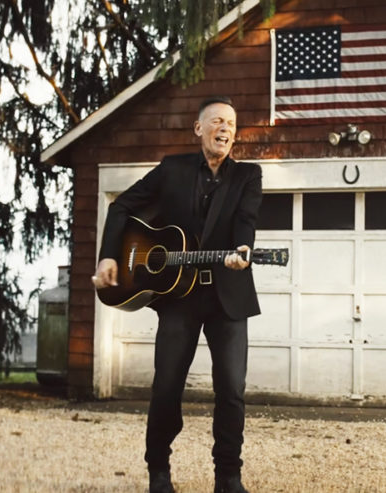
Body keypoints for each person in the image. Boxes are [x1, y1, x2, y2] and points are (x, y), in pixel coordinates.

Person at [92, 96, 261, 493]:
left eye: (232, 124)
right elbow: (121, 208)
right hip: (177, 296)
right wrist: (107, 258)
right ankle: (159, 471)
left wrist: (243, 250)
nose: (225, 129)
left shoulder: (247, 176)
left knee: (232, 390)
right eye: (217, 121)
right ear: (198, 129)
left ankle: (228, 478)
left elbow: (246, 220)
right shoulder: (173, 169)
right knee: (166, 385)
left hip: (228, 296)